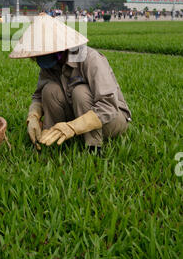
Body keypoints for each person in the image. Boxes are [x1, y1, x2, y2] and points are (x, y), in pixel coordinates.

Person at [9, 14, 132, 154]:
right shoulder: (50, 65)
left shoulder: (91, 59)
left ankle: (93, 148)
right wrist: (33, 117)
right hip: (78, 115)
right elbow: (38, 97)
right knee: (49, 90)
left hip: (111, 119)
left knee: (80, 92)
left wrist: (73, 127)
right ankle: (52, 137)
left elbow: (108, 106)